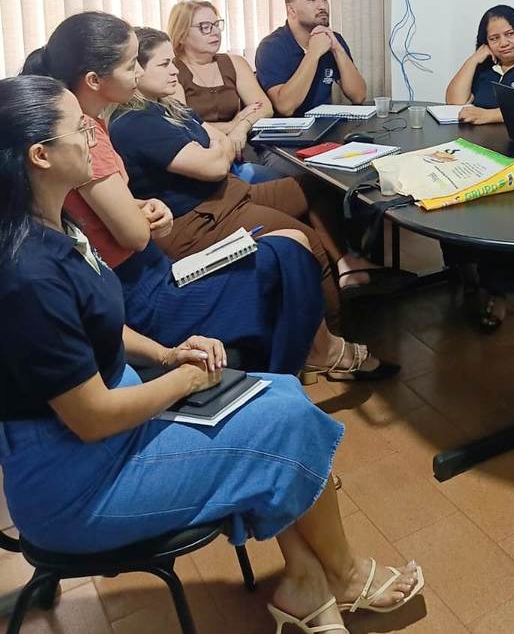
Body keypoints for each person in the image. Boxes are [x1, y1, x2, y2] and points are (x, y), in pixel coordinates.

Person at [0, 74, 424, 633]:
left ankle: (305, 580)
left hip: (110, 421)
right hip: (76, 481)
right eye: (76, 127)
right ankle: (340, 577)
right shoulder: (27, 273)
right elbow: (90, 417)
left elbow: (105, 326)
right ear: (40, 156)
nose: (91, 133)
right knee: (284, 422)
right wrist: (185, 383)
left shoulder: (57, 224)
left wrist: (171, 354)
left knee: (281, 397)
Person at [24, 12, 393, 381]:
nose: (138, 74)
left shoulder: (99, 124)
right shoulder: (89, 134)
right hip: (145, 289)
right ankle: (318, 354)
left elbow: (94, 213)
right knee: (293, 249)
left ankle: (315, 348)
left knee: (292, 240)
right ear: (94, 80)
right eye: (131, 65)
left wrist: (143, 207)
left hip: (152, 261)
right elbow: (133, 234)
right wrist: (149, 215)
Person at [111, 27, 406, 310]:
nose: (175, 70)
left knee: (319, 184)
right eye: (164, 65)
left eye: (173, 63)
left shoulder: (168, 107)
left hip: (228, 194)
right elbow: (214, 164)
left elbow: (219, 142)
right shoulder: (137, 121)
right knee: (306, 242)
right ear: (136, 71)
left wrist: (223, 142)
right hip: (201, 218)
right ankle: (335, 346)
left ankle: (344, 267)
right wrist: (223, 144)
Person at [442, 5, 514, 331]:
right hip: (485, 150)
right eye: (494, 38)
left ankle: (501, 290)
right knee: (446, 183)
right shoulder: (487, 68)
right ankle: (465, 265)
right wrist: (475, 59)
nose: (504, 42)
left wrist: (484, 115)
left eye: (509, 34)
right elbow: (454, 101)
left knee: (497, 203)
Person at [167, 0, 281, 184]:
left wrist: (241, 127)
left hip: (241, 150)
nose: (215, 32)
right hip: (201, 159)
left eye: (216, 24)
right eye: (204, 26)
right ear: (181, 35)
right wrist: (232, 125)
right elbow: (184, 126)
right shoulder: (172, 71)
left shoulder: (235, 62)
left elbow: (264, 107)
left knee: (287, 179)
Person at [255, 0, 367, 118]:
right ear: (291, 10)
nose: (322, 6)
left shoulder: (332, 39)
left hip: (326, 128)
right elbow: (285, 107)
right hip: (289, 133)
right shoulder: (270, 47)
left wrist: (337, 49)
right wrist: (313, 53)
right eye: (312, 0)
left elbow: (359, 96)